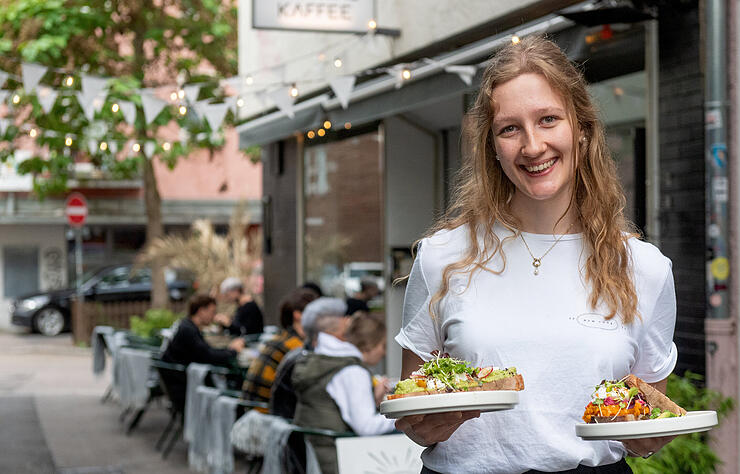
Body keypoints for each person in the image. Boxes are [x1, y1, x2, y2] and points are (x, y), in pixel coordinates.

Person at [394, 35, 678, 473]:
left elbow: (645, 424)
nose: (532, 146)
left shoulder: (644, 267)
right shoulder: (442, 257)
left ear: (581, 129)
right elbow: (411, 408)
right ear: (492, 146)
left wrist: (647, 438)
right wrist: (424, 428)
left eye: (548, 119)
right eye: (510, 128)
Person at [291, 302, 395, 473]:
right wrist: (402, 415)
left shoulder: (321, 360)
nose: (384, 353)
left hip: (311, 455)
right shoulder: (352, 371)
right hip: (337, 460)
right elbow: (366, 427)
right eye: (383, 346)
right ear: (369, 345)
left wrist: (373, 400)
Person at [160, 294, 246, 409]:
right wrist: (233, 351)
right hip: (185, 386)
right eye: (212, 312)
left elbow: (205, 352)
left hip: (182, 381)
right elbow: (209, 356)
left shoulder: (187, 325)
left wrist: (229, 349)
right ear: (201, 311)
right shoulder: (188, 330)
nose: (214, 316)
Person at [240, 287, 318, 410]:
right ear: (298, 315)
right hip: (267, 414)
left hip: (251, 412)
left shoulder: (280, 338)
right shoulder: (296, 347)